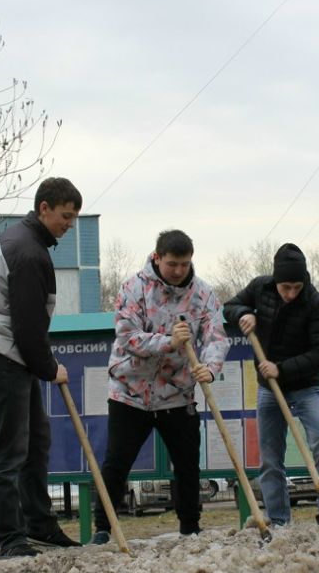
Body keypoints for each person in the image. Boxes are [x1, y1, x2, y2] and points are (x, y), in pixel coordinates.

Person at [90, 230, 228, 544]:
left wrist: (210, 366)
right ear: (157, 257)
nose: (178, 270)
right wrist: (169, 342)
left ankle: (190, 528)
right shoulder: (133, 288)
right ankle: (103, 527)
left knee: (188, 463)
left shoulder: (204, 295)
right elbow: (127, 337)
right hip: (130, 391)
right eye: (171, 264)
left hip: (177, 394)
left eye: (184, 263)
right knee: (117, 462)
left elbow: (216, 337)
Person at [0, 176, 84, 558]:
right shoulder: (29, 252)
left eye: (74, 218)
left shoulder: (26, 241)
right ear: (44, 208)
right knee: (9, 451)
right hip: (2, 355)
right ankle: (10, 539)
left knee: (36, 443)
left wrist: (42, 365)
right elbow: (27, 326)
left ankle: (39, 525)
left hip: (13, 356)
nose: (69, 224)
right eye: (65, 216)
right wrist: (50, 368)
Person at [223, 243, 319, 526]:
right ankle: (278, 519)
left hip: (305, 386)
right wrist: (243, 313)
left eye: (296, 287)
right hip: (268, 389)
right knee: (269, 457)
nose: (291, 294)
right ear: (276, 281)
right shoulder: (260, 287)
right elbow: (230, 306)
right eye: (285, 288)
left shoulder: (316, 304)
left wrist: (282, 369)